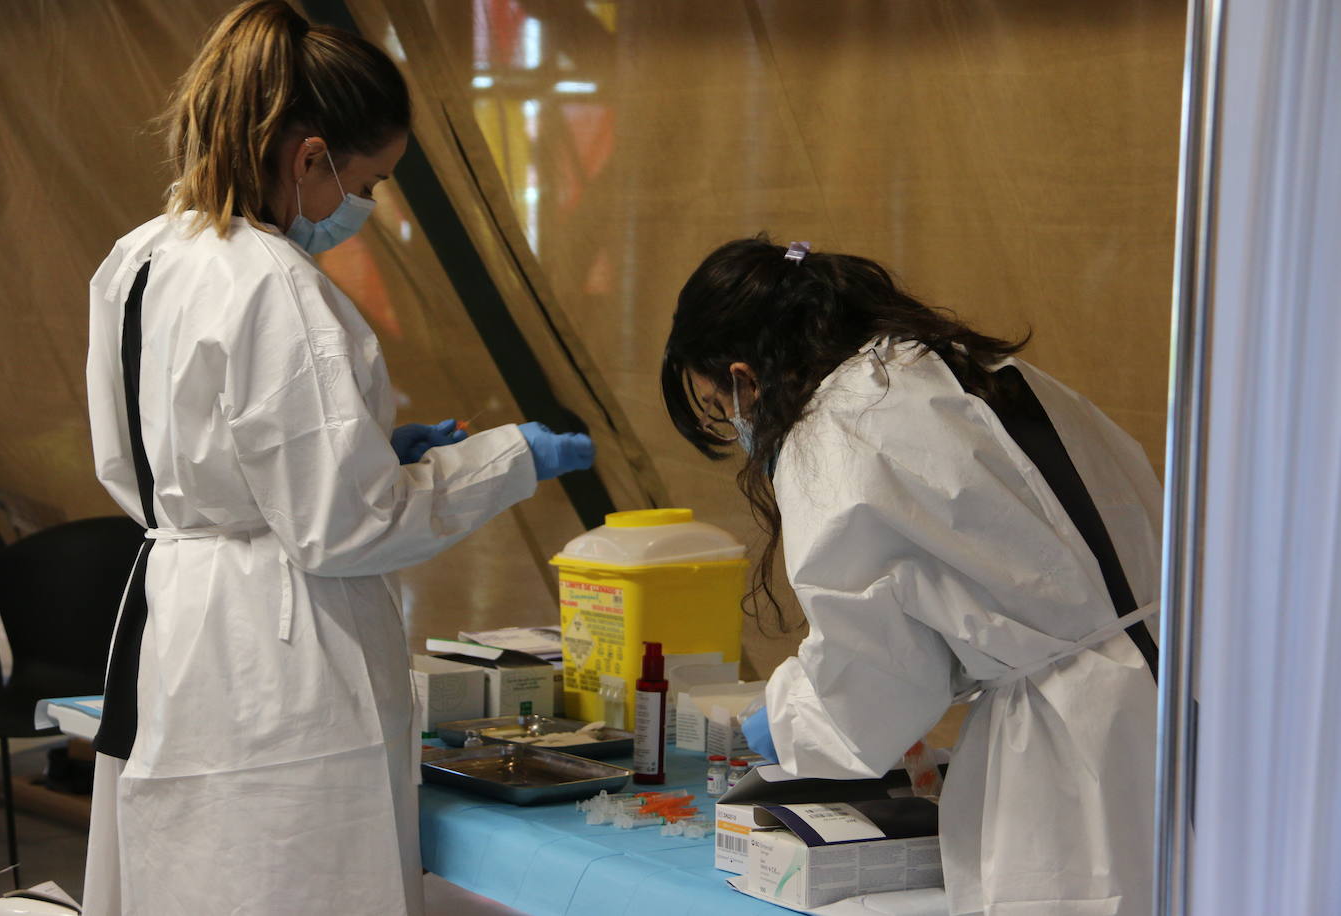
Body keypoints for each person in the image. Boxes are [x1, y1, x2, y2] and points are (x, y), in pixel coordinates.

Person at [83, 3, 592, 913]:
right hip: (275, 646)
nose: (366, 206)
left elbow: (153, 459)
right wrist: (511, 458)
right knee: (288, 878)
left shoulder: (142, 256)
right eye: (373, 180)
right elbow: (347, 527)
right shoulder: (277, 286)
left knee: (190, 873)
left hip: (181, 613)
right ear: (311, 158)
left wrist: (367, 452)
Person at [662, 237, 1161, 915]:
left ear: (746, 378)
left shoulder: (841, 428)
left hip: (1076, 751)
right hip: (1185, 685)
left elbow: (878, 677)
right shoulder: (972, 368)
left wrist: (789, 718)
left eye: (723, 405)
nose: (739, 425)